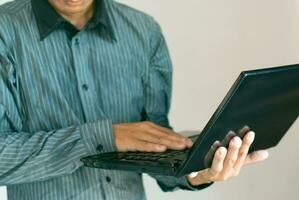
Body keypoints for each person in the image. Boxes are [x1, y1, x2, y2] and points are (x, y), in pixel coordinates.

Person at [0, 0, 269, 199]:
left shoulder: (144, 32)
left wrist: (198, 172)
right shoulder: (5, 31)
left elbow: (154, 146)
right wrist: (105, 136)